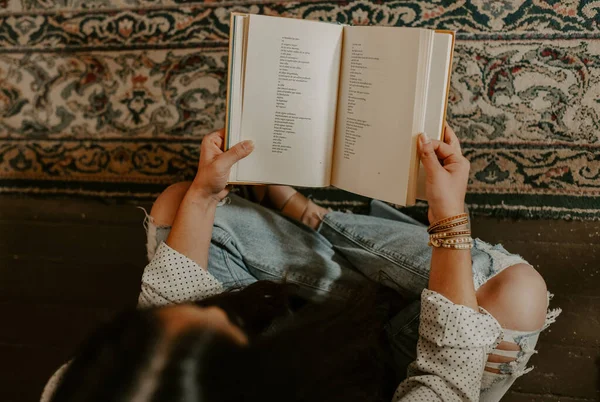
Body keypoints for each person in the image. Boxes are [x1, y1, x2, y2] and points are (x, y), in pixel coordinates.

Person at [42, 124, 560, 402]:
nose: (213, 306)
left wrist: (203, 196)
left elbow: (164, 297)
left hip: (309, 338)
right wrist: (448, 215)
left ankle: (314, 223)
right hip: (401, 380)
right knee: (515, 293)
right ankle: (325, 231)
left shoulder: (93, 389)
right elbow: (446, 378)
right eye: (222, 324)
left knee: (179, 207)